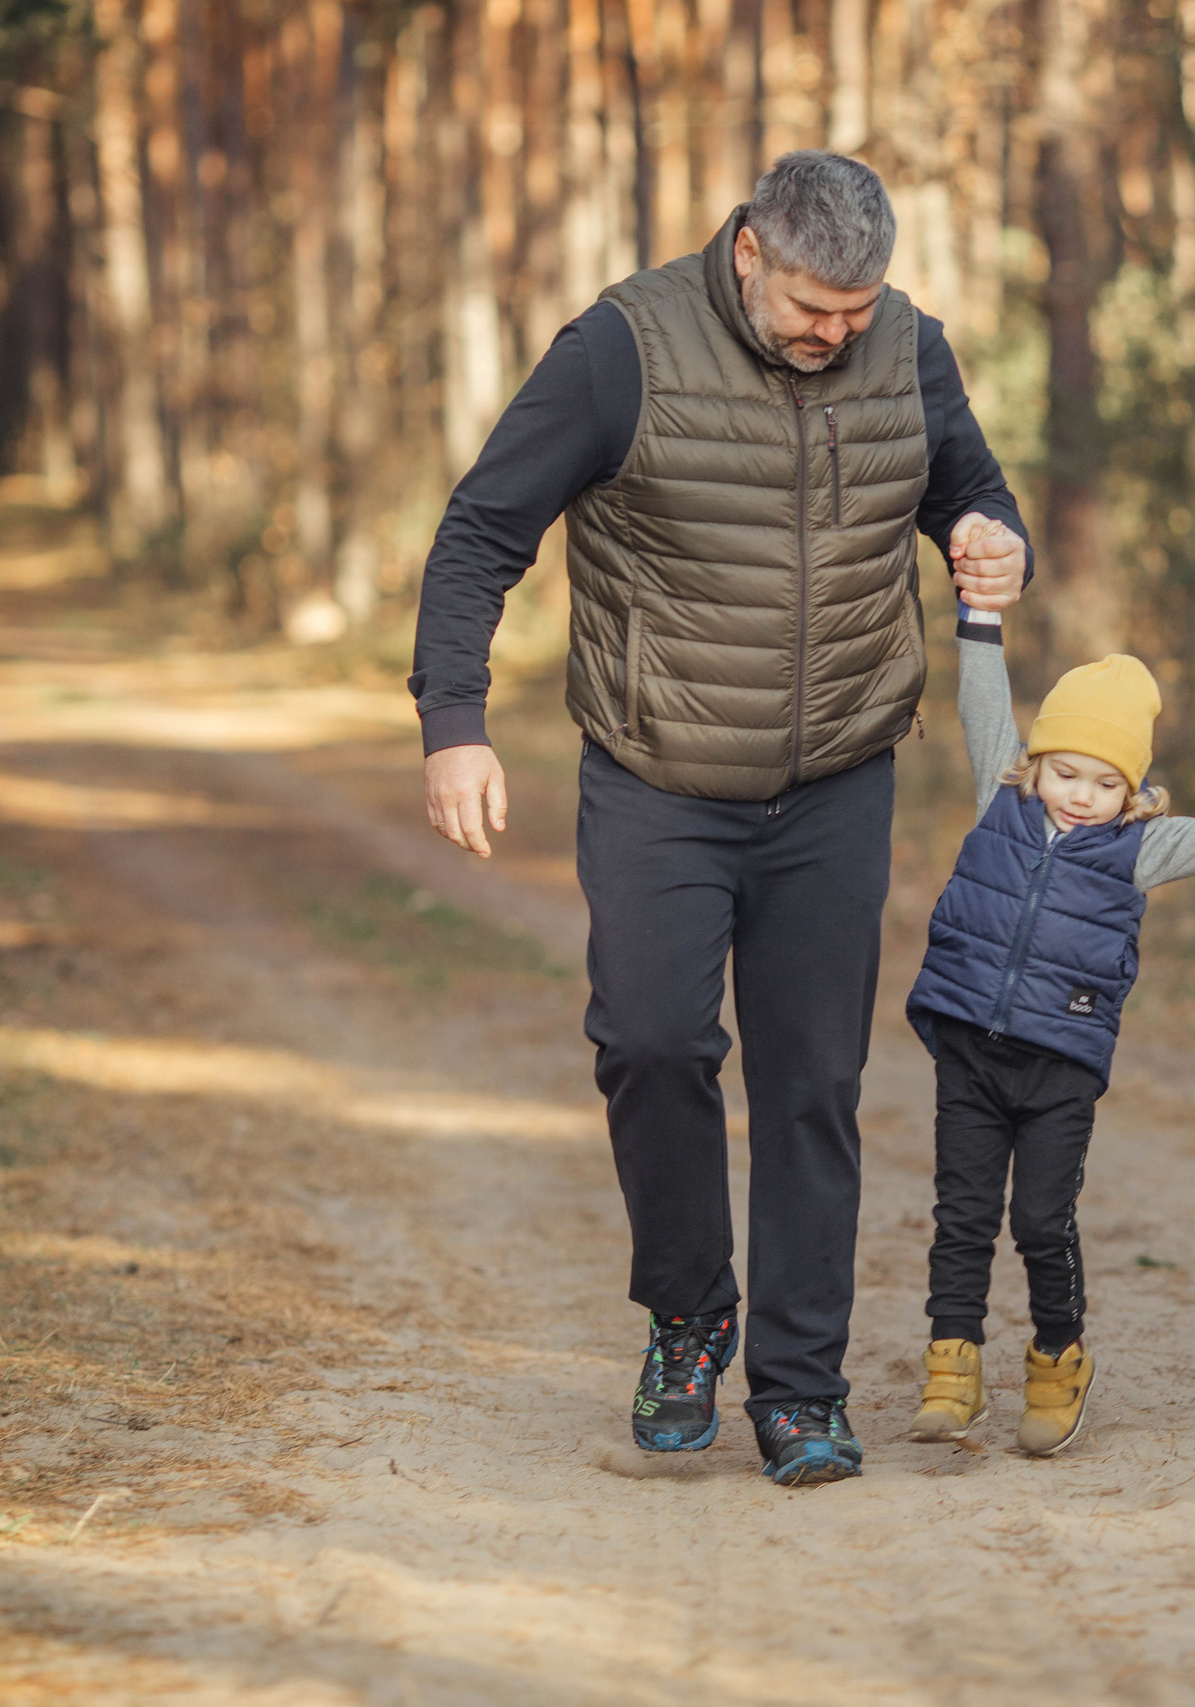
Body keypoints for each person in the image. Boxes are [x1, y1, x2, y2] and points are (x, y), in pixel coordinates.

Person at [407, 151, 1034, 1489]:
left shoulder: (904, 347)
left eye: (859, 310)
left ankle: (801, 1386)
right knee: (650, 1041)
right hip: (658, 774)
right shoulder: (621, 349)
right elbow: (479, 533)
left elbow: (966, 487)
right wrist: (453, 722)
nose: (838, 333)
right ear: (749, 250)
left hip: (837, 777)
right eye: (817, 306)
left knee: (813, 1082)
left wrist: (994, 535)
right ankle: (688, 1316)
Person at [901, 605, 1195, 1455]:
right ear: (1036, 763)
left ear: (1134, 791)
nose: (1082, 795)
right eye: (1067, 773)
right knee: (963, 1215)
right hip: (972, 1045)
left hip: (1061, 1068)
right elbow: (980, 696)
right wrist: (981, 611)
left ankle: (1058, 1355)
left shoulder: (1137, 849)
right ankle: (951, 1367)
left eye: (1105, 783)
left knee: (1042, 1218)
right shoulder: (996, 800)